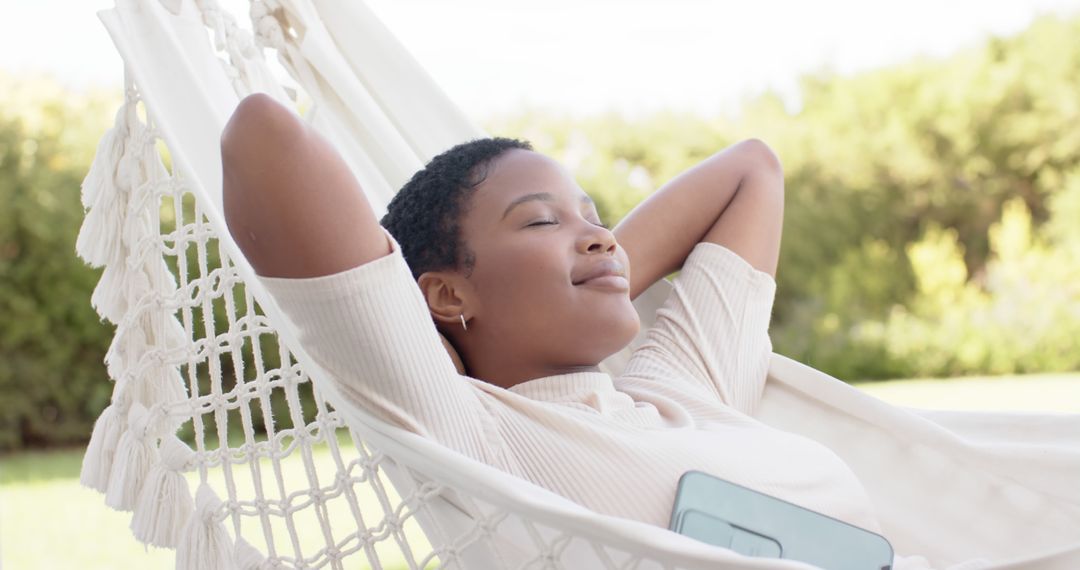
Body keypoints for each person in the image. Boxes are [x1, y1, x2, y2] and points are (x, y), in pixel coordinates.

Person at [220, 93, 882, 538]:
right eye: (540, 219)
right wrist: (440, 341)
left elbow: (752, 169)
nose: (601, 236)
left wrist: (598, 270)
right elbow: (262, 136)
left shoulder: (680, 388)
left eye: (596, 219)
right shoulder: (472, 434)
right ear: (447, 295)